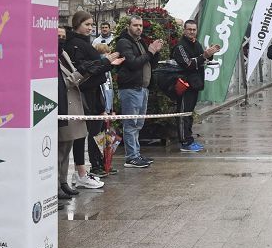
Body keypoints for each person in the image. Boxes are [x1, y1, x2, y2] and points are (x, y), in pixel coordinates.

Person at [65, 11, 124, 185]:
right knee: (83, 134)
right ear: (77, 25)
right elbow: (83, 71)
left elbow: (92, 68)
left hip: (93, 94)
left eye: (92, 25)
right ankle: (82, 171)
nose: (90, 28)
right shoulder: (75, 44)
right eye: (87, 24)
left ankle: (89, 168)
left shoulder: (84, 43)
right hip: (82, 95)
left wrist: (105, 63)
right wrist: (105, 62)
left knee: (93, 132)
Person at [115, 16, 164, 169]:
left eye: (140, 26)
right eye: (135, 25)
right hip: (131, 89)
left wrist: (155, 52)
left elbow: (150, 63)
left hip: (143, 88)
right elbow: (133, 63)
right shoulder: (124, 42)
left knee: (138, 124)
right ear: (128, 26)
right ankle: (131, 157)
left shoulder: (140, 42)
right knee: (130, 124)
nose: (139, 28)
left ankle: (136, 154)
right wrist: (149, 53)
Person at [173, 19, 220, 152]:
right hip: (184, 85)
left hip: (195, 84)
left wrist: (209, 54)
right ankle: (184, 142)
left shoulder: (196, 44)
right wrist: (204, 56)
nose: (192, 32)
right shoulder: (180, 46)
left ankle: (189, 139)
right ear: (184, 30)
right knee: (183, 114)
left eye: (194, 30)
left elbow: (201, 58)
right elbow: (188, 64)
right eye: (189, 29)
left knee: (189, 113)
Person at [57, 34, 87, 202]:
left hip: (73, 104)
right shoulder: (50, 57)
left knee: (67, 146)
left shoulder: (64, 54)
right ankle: (56, 185)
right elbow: (63, 82)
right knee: (60, 149)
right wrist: (80, 74)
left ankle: (63, 182)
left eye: (63, 36)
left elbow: (74, 74)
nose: (61, 39)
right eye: (57, 36)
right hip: (64, 104)